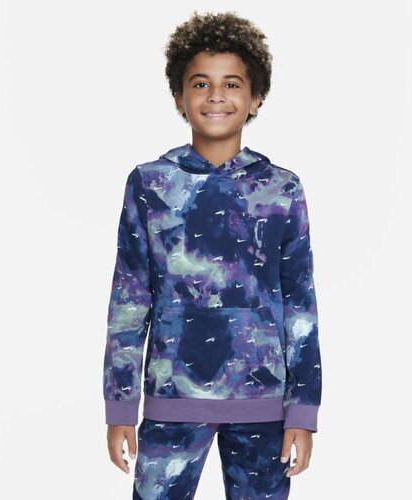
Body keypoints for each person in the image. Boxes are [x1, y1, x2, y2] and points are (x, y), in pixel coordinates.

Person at [103, 10, 322, 500]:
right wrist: (121, 406)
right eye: (200, 83)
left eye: (232, 84)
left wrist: (303, 411)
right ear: (179, 97)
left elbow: (300, 305)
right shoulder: (150, 184)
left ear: (256, 97)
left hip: (264, 402)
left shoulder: (282, 189)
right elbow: (129, 301)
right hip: (171, 397)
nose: (216, 96)